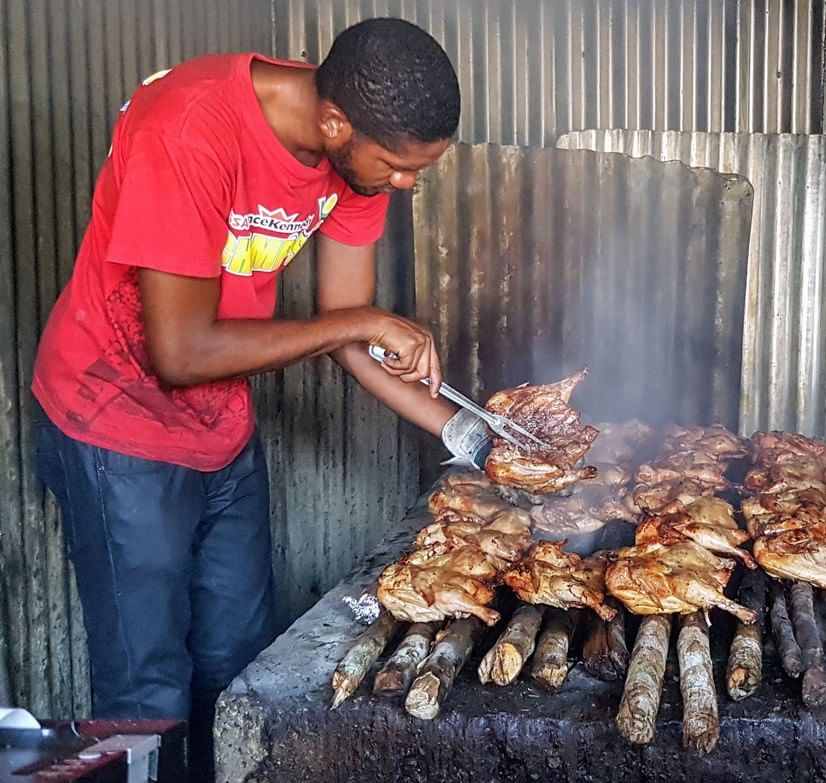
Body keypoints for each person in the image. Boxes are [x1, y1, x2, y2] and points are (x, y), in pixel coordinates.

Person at [30, 17, 491, 780]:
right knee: (148, 695)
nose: (405, 183)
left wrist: (471, 434)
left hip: (221, 427)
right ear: (337, 123)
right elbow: (180, 354)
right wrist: (363, 322)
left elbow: (347, 331)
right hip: (116, 425)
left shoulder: (355, 155)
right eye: (399, 166)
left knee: (242, 671)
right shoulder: (188, 129)